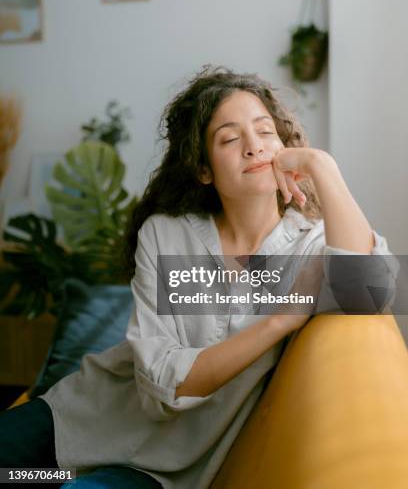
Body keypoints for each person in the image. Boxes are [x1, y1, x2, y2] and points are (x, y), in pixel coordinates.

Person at [0, 65, 397, 488]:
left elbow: (368, 292)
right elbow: (162, 384)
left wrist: (322, 165)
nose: (253, 147)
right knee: (18, 476)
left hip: (164, 471)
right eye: (229, 138)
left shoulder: (309, 244)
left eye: (265, 132)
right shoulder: (167, 233)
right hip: (82, 420)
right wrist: (281, 319)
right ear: (204, 169)